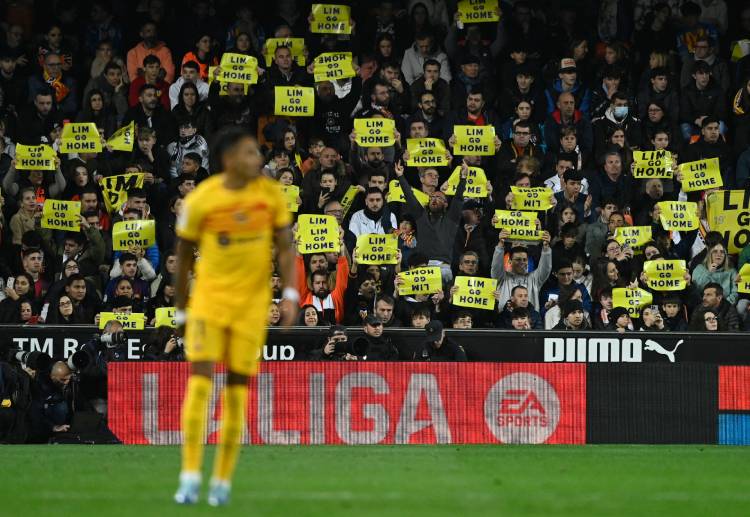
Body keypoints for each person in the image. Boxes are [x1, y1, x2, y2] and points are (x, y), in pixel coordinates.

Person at [173, 126, 298, 506]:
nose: (257, 159)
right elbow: (181, 258)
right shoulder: (203, 199)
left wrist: (290, 294)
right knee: (200, 386)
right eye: (249, 153)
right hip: (209, 305)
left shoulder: (271, 196)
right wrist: (180, 310)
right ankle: (191, 474)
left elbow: (286, 248)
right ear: (229, 159)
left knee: (237, 394)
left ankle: (222, 482)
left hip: (251, 309)